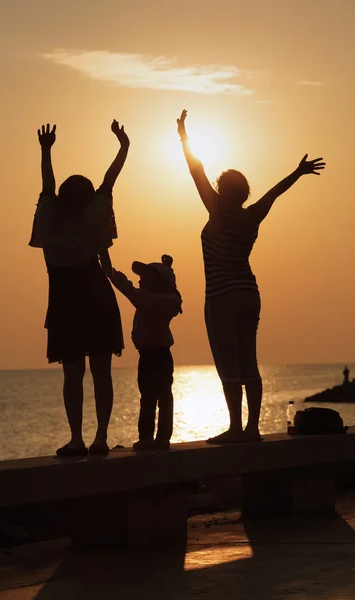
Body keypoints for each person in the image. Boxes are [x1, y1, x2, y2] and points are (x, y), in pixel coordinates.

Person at [177, 109, 325, 443]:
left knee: (228, 363)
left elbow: (195, 170)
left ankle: (234, 428)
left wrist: (183, 136)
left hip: (221, 297)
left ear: (222, 189)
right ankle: (253, 428)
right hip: (249, 294)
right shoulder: (252, 215)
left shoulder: (215, 209)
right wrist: (298, 172)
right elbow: (275, 191)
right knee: (249, 361)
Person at [29, 120, 130, 456]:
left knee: (73, 375)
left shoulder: (49, 219)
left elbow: (47, 185)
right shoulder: (93, 217)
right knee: (102, 372)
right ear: (88, 199)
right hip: (97, 297)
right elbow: (109, 179)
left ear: (61, 198)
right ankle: (100, 437)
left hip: (64, 301)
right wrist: (123, 146)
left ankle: (76, 439)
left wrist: (46, 150)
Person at [110, 255, 182, 450]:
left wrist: (111, 273)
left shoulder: (149, 300)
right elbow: (172, 290)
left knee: (149, 398)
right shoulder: (168, 300)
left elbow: (127, 289)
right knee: (164, 396)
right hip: (162, 356)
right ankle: (162, 438)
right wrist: (169, 269)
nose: (140, 281)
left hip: (151, 356)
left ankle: (147, 438)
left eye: (146, 278)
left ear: (157, 283)